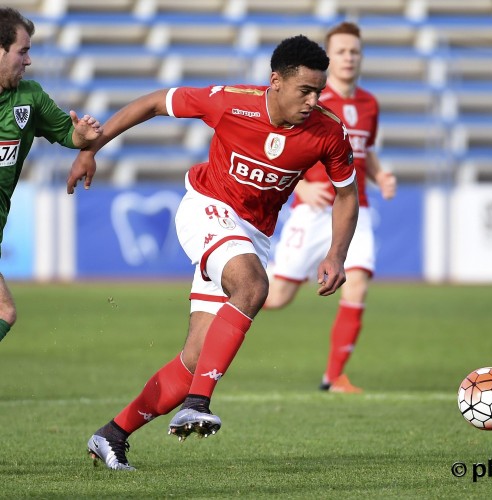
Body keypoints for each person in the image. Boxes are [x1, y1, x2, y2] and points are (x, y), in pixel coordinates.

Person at [67, 34, 359, 471]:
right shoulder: (230, 102)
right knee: (253, 285)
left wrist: (337, 252)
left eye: (319, 90)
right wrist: (93, 147)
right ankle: (199, 403)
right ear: (275, 81)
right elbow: (153, 102)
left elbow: (347, 194)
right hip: (207, 208)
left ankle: (111, 434)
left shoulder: (327, 131)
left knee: (194, 358)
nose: (314, 100)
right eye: (306, 90)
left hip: (253, 234)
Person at [264, 22, 397, 393]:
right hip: (314, 209)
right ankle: (217, 306)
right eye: (341, 51)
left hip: (355, 208)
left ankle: (334, 376)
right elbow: (284, 143)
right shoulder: (310, 97)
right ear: (330, 56)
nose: (349, 58)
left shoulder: (369, 103)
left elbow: (363, 152)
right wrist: (302, 187)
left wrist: (380, 175)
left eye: (354, 51)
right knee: (274, 297)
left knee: (357, 284)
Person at [0, 7, 102, 343]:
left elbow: (67, 134)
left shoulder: (29, 97)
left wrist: (83, 137)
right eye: (22, 51)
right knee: (4, 311)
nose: (28, 61)